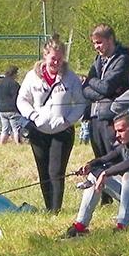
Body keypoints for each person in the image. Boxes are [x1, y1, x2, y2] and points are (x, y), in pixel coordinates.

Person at [17, 37, 87, 214]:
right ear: (45, 56)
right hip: (38, 131)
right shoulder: (32, 77)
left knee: (56, 172)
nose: (56, 62)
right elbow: (22, 100)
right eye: (53, 58)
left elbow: (80, 102)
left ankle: (56, 210)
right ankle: (48, 208)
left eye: (60, 59)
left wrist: (68, 120)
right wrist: (33, 115)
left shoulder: (70, 77)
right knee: (43, 173)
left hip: (62, 131)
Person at [79, 25, 129, 160]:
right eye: (94, 43)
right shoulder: (98, 60)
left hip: (113, 118)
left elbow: (106, 87)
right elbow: (85, 90)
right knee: (100, 159)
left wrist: (90, 80)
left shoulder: (124, 59)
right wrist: (104, 93)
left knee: (115, 160)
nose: (96, 47)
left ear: (110, 39)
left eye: (99, 42)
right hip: (95, 116)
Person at [0, 67, 23, 143]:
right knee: (16, 129)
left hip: (2, 110)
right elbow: (17, 97)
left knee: (5, 129)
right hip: (12, 110)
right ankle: (18, 144)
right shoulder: (14, 84)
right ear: (13, 74)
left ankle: (2, 144)